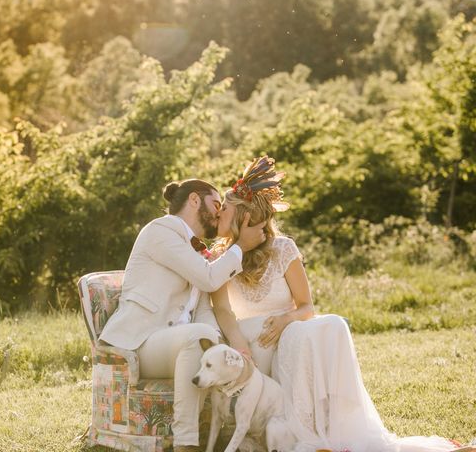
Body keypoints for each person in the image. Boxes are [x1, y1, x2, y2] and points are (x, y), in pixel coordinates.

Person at [210, 156, 466, 452]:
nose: (218, 213)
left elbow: (307, 308)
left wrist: (285, 319)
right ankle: (307, 433)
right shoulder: (220, 259)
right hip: (254, 349)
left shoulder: (283, 249)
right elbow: (223, 310)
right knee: (317, 329)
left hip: (291, 341)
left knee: (329, 325)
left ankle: (332, 430)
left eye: (225, 207)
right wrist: (241, 345)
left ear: (244, 216)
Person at [99, 178, 267, 452]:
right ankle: (186, 444)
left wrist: (217, 344)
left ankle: (235, 432)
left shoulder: (196, 251)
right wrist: (241, 247)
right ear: (194, 200)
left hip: (174, 345)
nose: (218, 212)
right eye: (216, 204)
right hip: (138, 342)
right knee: (198, 337)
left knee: (207, 340)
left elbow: (202, 310)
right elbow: (209, 278)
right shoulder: (160, 231)